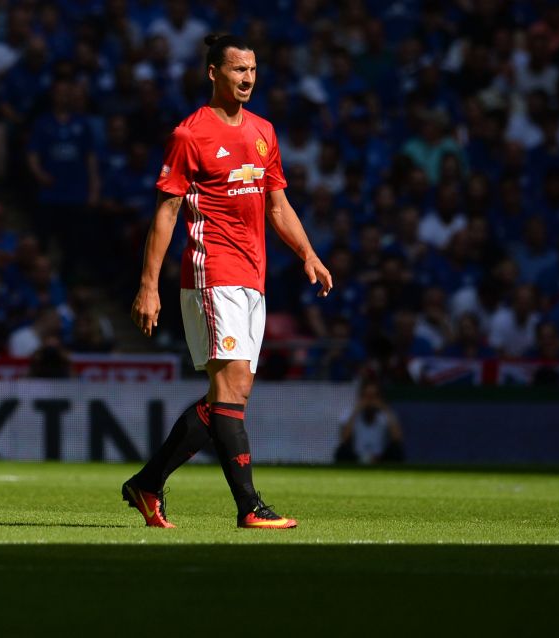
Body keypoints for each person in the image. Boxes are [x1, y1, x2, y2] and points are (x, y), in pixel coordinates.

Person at [125, 34, 332, 530]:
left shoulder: (264, 132)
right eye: (238, 70)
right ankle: (249, 507)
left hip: (253, 275)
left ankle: (147, 484)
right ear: (213, 72)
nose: (247, 79)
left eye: (253, 70)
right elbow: (167, 212)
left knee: (231, 395)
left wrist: (307, 253)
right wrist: (148, 285)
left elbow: (277, 206)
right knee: (231, 388)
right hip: (211, 269)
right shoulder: (189, 135)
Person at [335, 379, 405, 464]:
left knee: (396, 451)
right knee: (342, 451)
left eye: (373, 396)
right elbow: (344, 438)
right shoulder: (350, 413)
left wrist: (385, 409)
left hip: (380, 457)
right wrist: (355, 412)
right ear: (361, 397)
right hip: (357, 457)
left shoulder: (386, 415)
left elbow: (397, 438)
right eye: (367, 396)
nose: (370, 401)